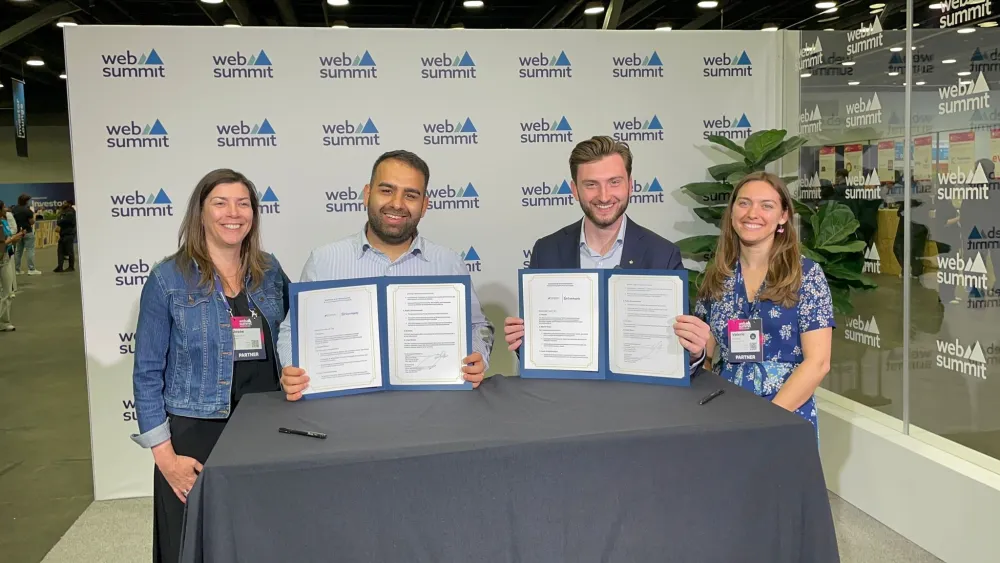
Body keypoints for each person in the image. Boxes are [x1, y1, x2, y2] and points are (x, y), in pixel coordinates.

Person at [130, 169, 289, 563]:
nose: (232, 213)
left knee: (257, 539)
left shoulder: (269, 272)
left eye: (243, 203)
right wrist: (165, 459)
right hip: (196, 437)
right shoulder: (168, 279)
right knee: (192, 546)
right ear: (200, 213)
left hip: (262, 430)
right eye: (220, 202)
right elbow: (147, 373)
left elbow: (300, 329)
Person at [277, 150, 494, 399]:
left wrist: (479, 357)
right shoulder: (324, 261)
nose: (397, 204)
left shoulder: (448, 262)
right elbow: (293, 330)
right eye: (387, 190)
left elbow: (478, 326)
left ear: (424, 205)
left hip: (431, 405)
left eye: (410, 195)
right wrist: (291, 367)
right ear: (367, 194)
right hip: (345, 408)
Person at [503, 136, 711, 373]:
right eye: (591, 184)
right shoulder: (546, 251)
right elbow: (540, 349)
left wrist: (694, 352)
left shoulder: (662, 255)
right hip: (568, 399)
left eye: (614, 182)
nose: (604, 196)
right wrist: (523, 342)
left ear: (630, 185)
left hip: (637, 401)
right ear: (574, 190)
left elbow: (679, 357)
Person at [694, 172, 834, 431]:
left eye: (766, 205)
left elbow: (818, 363)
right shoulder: (716, 278)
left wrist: (765, 421)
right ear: (732, 212)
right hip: (726, 414)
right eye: (744, 203)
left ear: (783, 216)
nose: (752, 213)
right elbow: (705, 357)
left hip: (785, 413)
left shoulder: (805, 275)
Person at [0, 200, 25, 331]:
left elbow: (7, 238)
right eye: (3, 207)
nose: (6, 209)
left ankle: (4, 321)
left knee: (6, 291)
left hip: (7, 256)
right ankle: (3, 321)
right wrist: (14, 239)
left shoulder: (4, 222)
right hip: (2, 258)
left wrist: (16, 236)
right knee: (6, 292)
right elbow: (3, 242)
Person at [10, 193, 40, 275]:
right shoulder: (28, 210)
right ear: (26, 201)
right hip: (28, 232)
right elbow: (31, 222)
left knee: (18, 251)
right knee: (30, 250)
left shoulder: (14, 209)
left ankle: (17, 270)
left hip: (18, 233)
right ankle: (31, 269)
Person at [54, 200, 77, 272]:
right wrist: (60, 220)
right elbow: (59, 221)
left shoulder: (70, 212)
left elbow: (64, 221)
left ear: (69, 204)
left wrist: (60, 221)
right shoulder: (63, 211)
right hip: (63, 233)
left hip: (69, 234)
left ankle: (71, 266)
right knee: (60, 251)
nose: (64, 204)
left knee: (70, 251)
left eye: (65, 203)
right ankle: (60, 266)